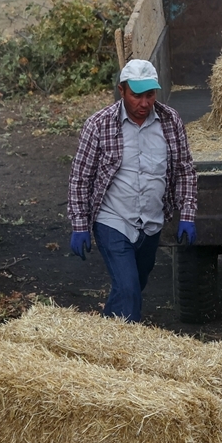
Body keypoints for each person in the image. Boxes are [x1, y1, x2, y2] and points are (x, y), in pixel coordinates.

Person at [68, 59, 197, 323]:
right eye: (136, 96)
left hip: (151, 222)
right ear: (122, 91)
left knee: (133, 286)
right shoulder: (99, 125)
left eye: (149, 95)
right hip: (113, 219)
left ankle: (100, 340)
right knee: (128, 290)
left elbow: (184, 169)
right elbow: (80, 177)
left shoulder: (169, 121)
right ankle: (128, 357)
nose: (144, 104)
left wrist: (187, 213)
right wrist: (80, 225)